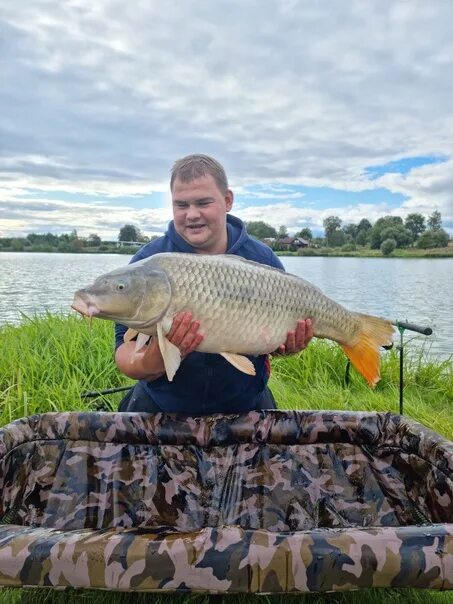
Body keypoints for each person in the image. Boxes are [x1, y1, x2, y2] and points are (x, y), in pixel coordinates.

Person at [115, 154, 313, 414]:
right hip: (165, 404)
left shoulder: (262, 260)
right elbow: (124, 353)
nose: (192, 214)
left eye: (203, 202)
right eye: (181, 205)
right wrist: (156, 360)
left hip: (245, 403)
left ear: (227, 200)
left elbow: (275, 346)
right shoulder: (149, 264)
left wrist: (287, 346)